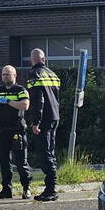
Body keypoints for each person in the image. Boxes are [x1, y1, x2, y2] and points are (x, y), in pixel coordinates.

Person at [0, 65, 32, 199]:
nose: (5, 77)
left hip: (17, 131)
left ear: (14, 75)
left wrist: (9, 101)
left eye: (8, 74)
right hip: (2, 130)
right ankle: (6, 189)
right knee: (4, 162)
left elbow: (25, 105)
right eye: (3, 74)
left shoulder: (20, 90)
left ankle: (26, 188)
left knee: (21, 162)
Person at [26, 48, 62, 202]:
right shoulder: (53, 74)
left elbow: (37, 101)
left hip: (44, 119)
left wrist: (36, 122)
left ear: (31, 60)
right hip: (55, 116)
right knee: (50, 151)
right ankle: (51, 187)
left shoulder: (34, 74)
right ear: (44, 59)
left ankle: (51, 189)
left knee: (44, 153)